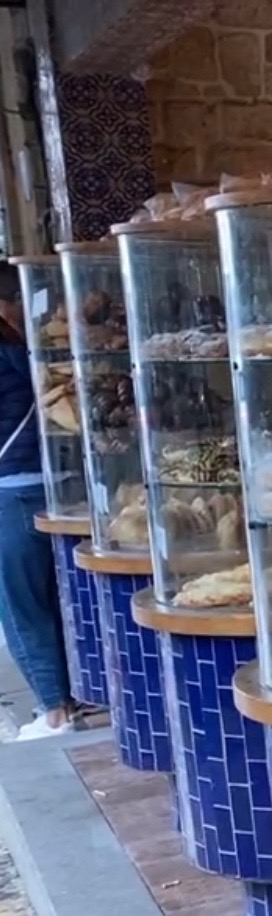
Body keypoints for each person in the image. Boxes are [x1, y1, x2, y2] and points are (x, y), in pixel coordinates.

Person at [0, 274, 71, 736]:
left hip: (11, 491)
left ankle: (55, 712)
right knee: (60, 603)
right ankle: (75, 698)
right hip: (60, 485)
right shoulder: (31, 349)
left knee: (22, 610)